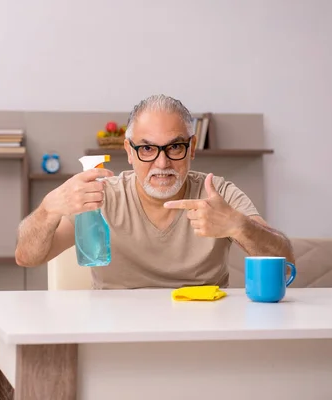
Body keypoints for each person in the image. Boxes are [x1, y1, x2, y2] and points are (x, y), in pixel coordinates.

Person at [15, 94, 295, 289]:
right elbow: (27, 257)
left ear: (192, 148)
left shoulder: (217, 194)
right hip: (115, 333)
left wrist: (238, 225)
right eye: (147, 148)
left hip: (203, 330)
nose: (162, 163)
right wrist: (48, 209)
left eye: (174, 147)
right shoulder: (100, 196)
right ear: (129, 151)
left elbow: (285, 268)